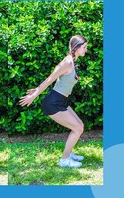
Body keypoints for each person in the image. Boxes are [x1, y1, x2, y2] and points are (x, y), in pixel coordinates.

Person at [19, 35, 88, 168]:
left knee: (79, 125)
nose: (86, 50)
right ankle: (64, 159)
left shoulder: (73, 61)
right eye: (84, 47)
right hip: (53, 103)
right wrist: (34, 95)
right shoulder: (67, 63)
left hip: (62, 101)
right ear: (77, 48)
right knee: (78, 128)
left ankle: (69, 153)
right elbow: (50, 79)